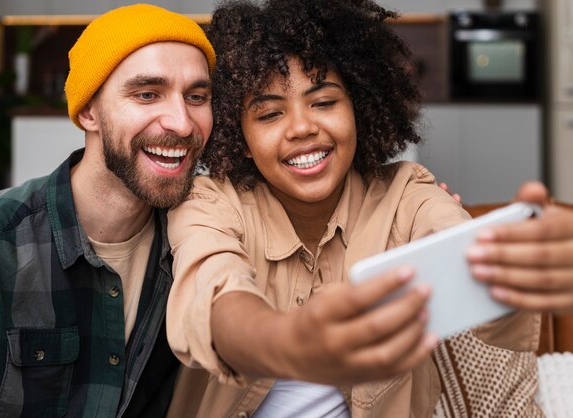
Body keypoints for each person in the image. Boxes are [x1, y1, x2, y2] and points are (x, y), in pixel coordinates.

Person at [164, 0, 573, 417]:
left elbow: (460, 255)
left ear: (358, 108)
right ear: (241, 136)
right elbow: (212, 297)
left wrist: (519, 267)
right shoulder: (210, 202)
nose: (302, 127)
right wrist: (290, 342)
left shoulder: (407, 193)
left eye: (324, 102)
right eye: (269, 113)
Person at [0, 4, 215, 416]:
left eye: (197, 97)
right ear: (88, 111)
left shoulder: (201, 235)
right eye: (147, 94)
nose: (182, 122)